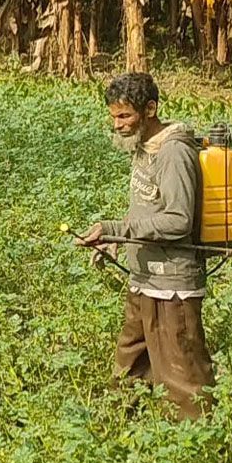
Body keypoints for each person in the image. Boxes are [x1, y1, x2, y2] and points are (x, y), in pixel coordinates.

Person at [76, 72, 215, 420]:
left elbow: (178, 220)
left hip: (171, 285)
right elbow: (144, 208)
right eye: (114, 117)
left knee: (183, 379)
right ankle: (116, 437)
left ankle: (205, 447)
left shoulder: (173, 152)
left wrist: (114, 229)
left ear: (150, 109)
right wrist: (116, 242)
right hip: (144, 279)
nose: (118, 125)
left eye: (125, 116)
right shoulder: (143, 145)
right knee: (129, 367)